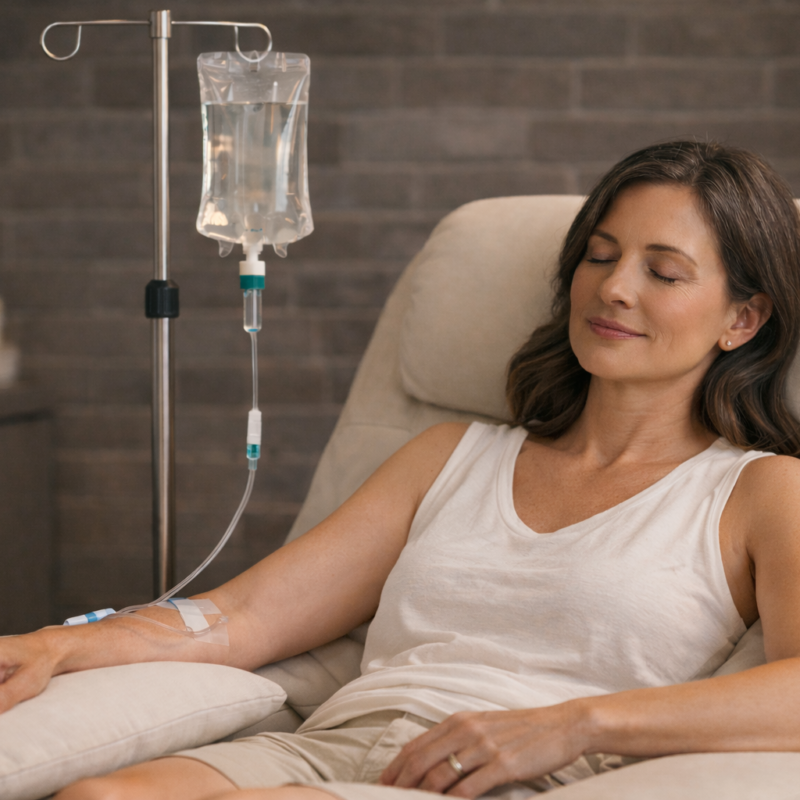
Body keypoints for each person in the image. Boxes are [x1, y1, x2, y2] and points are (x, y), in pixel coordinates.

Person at [3, 139, 800, 800]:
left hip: (510, 778)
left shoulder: (758, 491)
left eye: (663, 272)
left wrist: (576, 724)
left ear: (742, 318)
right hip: (329, 749)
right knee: (98, 797)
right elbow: (241, 615)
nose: (614, 288)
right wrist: (54, 647)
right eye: (600, 256)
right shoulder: (451, 455)